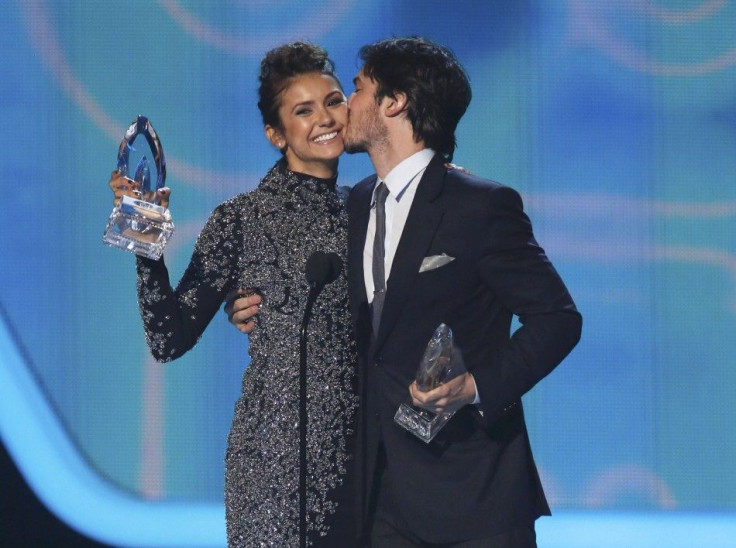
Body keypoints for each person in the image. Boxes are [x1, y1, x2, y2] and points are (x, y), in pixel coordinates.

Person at [229, 36, 582, 547]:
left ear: (392, 103)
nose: (343, 107)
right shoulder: (353, 207)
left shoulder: (479, 207)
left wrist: (475, 386)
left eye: (356, 89)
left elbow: (558, 319)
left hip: (472, 497)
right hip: (378, 499)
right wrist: (245, 303)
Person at [109, 42, 358, 547]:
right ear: (275, 133)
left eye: (333, 101)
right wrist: (144, 234)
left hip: (362, 460)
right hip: (271, 471)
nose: (325, 118)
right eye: (303, 110)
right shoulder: (240, 220)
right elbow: (168, 337)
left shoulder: (371, 208)